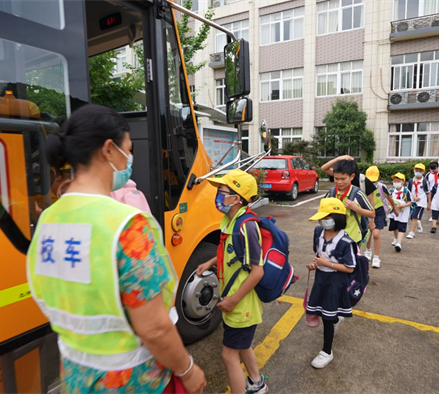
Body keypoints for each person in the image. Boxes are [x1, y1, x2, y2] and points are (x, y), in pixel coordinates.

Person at [27, 104, 206, 394]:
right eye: (128, 149)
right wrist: (187, 369)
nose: (130, 158)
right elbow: (155, 329)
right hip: (131, 380)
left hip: (75, 376)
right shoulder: (127, 227)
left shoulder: (48, 218)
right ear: (108, 150)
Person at [196, 169, 268, 394]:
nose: (217, 195)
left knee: (228, 356)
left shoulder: (246, 226)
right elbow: (230, 255)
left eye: (222, 191)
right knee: (243, 345)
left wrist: (233, 301)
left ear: (237, 198)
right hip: (235, 303)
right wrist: (209, 263)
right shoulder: (230, 220)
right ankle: (257, 384)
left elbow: (257, 272)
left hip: (241, 306)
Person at [305, 198, 356, 369]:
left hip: (336, 281)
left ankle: (327, 352)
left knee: (326, 317)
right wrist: (316, 264)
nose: (323, 221)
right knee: (323, 310)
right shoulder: (318, 232)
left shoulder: (346, 242)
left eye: (327, 217)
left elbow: (349, 268)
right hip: (321, 278)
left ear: (338, 218)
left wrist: (326, 264)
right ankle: (335, 318)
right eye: (322, 217)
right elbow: (319, 254)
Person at [321, 157, 375, 246]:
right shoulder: (331, 193)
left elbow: (372, 213)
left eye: (343, 179)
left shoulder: (358, 194)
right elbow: (323, 212)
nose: (339, 182)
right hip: (333, 237)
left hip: (352, 239)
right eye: (336, 178)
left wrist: (356, 208)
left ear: (352, 177)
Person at [362, 166, 399, 269]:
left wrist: (395, 209)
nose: (372, 182)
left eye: (374, 179)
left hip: (379, 211)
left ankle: (376, 257)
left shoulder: (382, 187)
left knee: (376, 234)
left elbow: (390, 198)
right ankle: (368, 251)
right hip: (367, 211)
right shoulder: (363, 187)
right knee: (368, 233)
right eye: (370, 180)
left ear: (378, 177)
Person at [388, 173, 412, 252]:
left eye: (398, 181)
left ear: (403, 182)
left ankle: (399, 243)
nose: (396, 182)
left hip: (403, 213)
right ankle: (396, 238)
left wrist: (402, 206)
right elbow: (387, 200)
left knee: (402, 227)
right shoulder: (391, 191)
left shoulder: (406, 191)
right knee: (394, 227)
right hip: (393, 213)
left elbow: (410, 202)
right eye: (395, 181)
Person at [407, 163, 430, 239]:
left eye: (420, 171)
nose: (418, 172)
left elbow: (428, 192)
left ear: (423, 172)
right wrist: (413, 197)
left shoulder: (425, 181)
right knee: (412, 217)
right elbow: (408, 191)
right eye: (416, 170)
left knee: (414, 217)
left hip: (421, 202)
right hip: (413, 202)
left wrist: (429, 204)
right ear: (414, 170)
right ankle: (418, 223)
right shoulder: (411, 181)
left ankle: (412, 232)